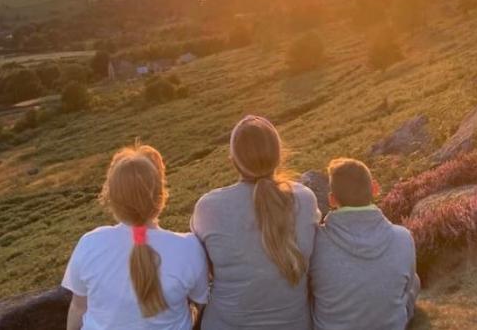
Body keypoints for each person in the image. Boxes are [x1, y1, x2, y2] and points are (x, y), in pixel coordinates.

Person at [191, 115, 320, 330]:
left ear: (233, 160)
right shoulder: (305, 198)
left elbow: (204, 265)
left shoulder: (209, 207)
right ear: (278, 155)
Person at [62, 145, 209, 330]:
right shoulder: (188, 248)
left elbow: (78, 307)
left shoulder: (89, 244)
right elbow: (200, 302)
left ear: (111, 198)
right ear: (161, 195)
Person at [310, 158, 420, 330]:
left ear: (332, 200)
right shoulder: (403, 238)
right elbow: (406, 290)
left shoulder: (315, 242)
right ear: (375, 188)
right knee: (414, 281)